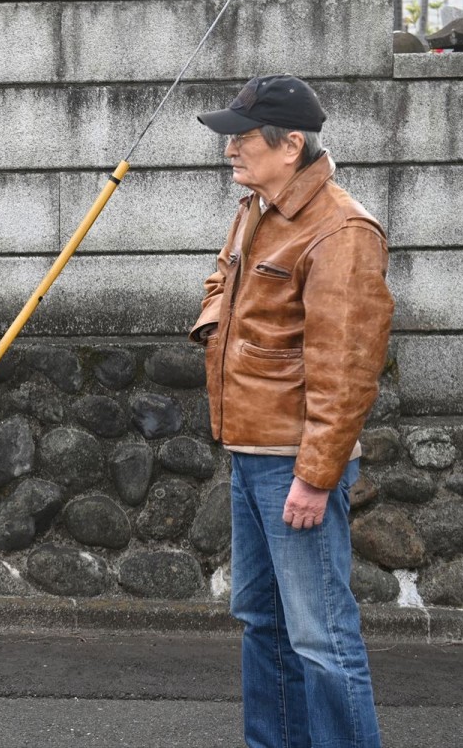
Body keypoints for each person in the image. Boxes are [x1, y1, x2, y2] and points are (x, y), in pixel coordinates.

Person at [190, 75, 393, 748]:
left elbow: (346, 367)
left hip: (292, 464)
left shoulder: (342, 229)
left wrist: (315, 473)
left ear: (292, 144)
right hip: (250, 448)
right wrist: (215, 317)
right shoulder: (257, 207)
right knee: (263, 621)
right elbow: (224, 274)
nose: (229, 151)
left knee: (322, 636)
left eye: (242, 139)